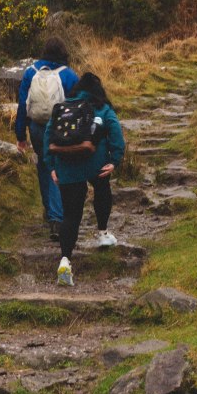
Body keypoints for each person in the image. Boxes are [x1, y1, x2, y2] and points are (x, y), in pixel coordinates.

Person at [43, 71, 125, 287]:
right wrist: (115, 160)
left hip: (67, 167)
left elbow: (48, 136)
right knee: (102, 188)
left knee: (71, 215)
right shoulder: (103, 108)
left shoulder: (62, 108)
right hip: (95, 164)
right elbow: (116, 134)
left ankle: (65, 260)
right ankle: (103, 233)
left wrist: (51, 166)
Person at [15, 37, 79, 240]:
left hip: (36, 127)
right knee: (58, 167)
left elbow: (23, 105)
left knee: (44, 166)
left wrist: (20, 135)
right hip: (61, 127)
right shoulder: (69, 75)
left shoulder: (31, 72)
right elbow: (78, 105)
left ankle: (49, 211)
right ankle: (57, 219)